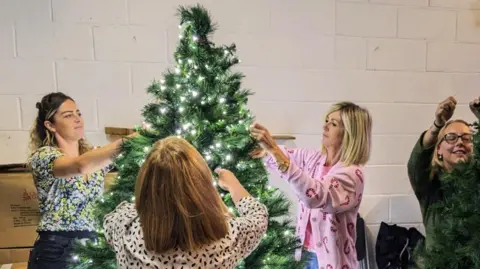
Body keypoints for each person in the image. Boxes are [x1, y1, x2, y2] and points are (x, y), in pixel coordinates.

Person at [103, 136, 269, 268]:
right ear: (202, 183)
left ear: (146, 183)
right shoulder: (228, 237)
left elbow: (115, 221)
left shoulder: (123, 226)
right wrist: (234, 185)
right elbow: (259, 217)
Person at [250, 101, 372, 269]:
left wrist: (274, 150)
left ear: (350, 134)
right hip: (304, 255)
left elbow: (315, 196)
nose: (325, 127)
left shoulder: (352, 174)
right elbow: (281, 157)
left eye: (334, 124)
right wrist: (260, 149)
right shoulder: (312, 158)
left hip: (332, 262)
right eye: (326, 120)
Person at [27, 92, 136, 269]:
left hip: (93, 249)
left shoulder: (92, 157)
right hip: (57, 250)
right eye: (68, 115)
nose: (77, 119)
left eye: (78, 113)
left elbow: (126, 157)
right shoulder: (44, 156)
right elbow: (80, 167)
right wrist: (131, 139)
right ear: (50, 125)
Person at [407, 96, 480, 248]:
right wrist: (438, 125)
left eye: (466, 138)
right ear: (438, 149)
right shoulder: (430, 184)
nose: (460, 142)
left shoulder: (476, 181)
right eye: (451, 137)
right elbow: (417, 163)